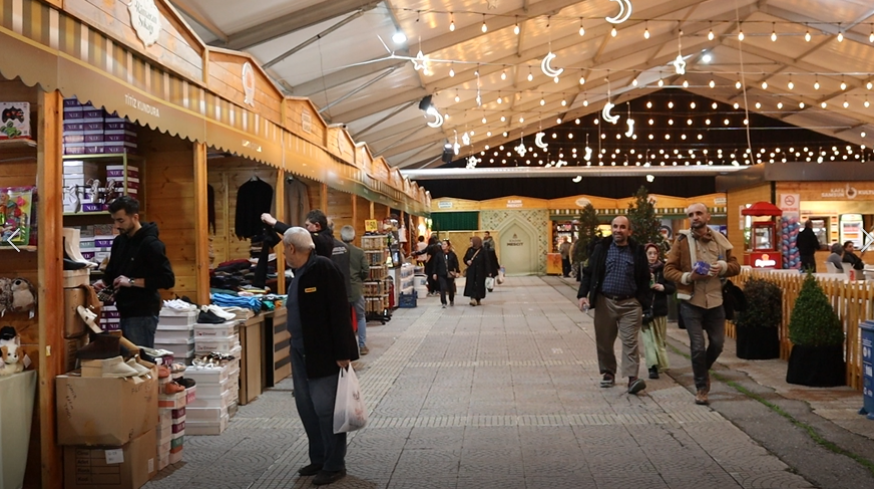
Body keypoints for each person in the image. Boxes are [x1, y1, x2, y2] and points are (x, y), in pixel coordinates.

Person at [283, 227, 358, 486]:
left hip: (323, 353)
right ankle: (318, 457)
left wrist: (344, 353)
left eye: (284, 248)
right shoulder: (298, 273)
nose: (283, 253)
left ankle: (334, 464)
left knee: (326, 410)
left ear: (292, 248)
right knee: (307, 408)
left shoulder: (323, 269)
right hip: (300, 352)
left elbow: (339, 311)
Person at [664, 203, 740, 406]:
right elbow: (668, 270)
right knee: (697, 347)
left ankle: (702, 370)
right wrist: (689, 276)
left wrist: (722, 267)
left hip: (716, 300)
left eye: (699, 213)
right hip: (691, 302)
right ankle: (701, 388)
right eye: (691, 215)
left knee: (717, 344)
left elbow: (736, 266)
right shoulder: (681, 241)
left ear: (708, 216)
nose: (695, 217)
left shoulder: (720, 240)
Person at [577, 216, 651, 395]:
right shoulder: (602, 248)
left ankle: (632, 378)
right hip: (605, 302)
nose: (618, 230)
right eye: (615, 226)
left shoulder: (637, 251)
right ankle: (608, 372)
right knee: (604, 341)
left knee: (630, 341)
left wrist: (644, 302)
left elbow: (644, 278)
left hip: (630, 303)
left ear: (629, 231)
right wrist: (582, 295)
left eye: (623, 227)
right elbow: (589, 272)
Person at [92, 196, 175, 349]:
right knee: (130, 360)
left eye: (121, 221)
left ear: (135, 217)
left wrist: (131, 282)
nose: (117, 225)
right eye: (114, 220)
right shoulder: (119, 242)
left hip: (143, 312)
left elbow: (167, 279)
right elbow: (112, 272)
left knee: (141, 360)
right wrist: (103, 283)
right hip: (124, 309)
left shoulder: (151, 244)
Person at [642, 243, 675, 380]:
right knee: (649, 341)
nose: (652, 256)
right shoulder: (641, 270)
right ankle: (652, 367)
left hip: (659, 310)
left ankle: (661, 363)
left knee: (660, 340)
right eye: (649, 253)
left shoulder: (663, 269)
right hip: (645, 310)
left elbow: (672, 287)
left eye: (654, 253)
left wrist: (663, 287)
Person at [341, 225, 369, 355]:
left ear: (341, 237)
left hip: (341, 290)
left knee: (343, 319)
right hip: (356, 289)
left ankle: (346, 346)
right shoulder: (359, 252)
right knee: (360, 317)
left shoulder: (335, 252)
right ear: (354, 237)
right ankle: (362, 346)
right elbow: (365, 271)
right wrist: (360, 279)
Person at [412, 236, 450, 307]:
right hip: (438, 264)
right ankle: (437, 290)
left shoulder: (430, 247)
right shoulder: (439, 247)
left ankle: (432, 290)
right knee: (437, 278)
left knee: (430, 277)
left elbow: (425, 253)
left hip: (430, 264)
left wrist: (415, 254)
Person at [463, 236, 493, 306]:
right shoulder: (469, 250)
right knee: (472, 284)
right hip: (472, 271)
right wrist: (467, 261)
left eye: (472, 241)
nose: (470, 243)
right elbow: (465, 258)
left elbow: (487, 261)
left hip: (480, 271)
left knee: (479, 285)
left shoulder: (483, 251)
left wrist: (489, 272)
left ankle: (478, 298)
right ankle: (473, 298)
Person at [444, 240, 461, 306]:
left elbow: (456, 263)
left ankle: (451, 299)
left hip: (450, 273)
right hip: (442, 272)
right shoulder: (439, 254)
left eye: (445, 244)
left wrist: (457, 271)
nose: (443, 246)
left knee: (450, 287)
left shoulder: (452, 254)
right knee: (442, 287)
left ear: (448, 246)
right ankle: (443, 301)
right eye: (442, 244)